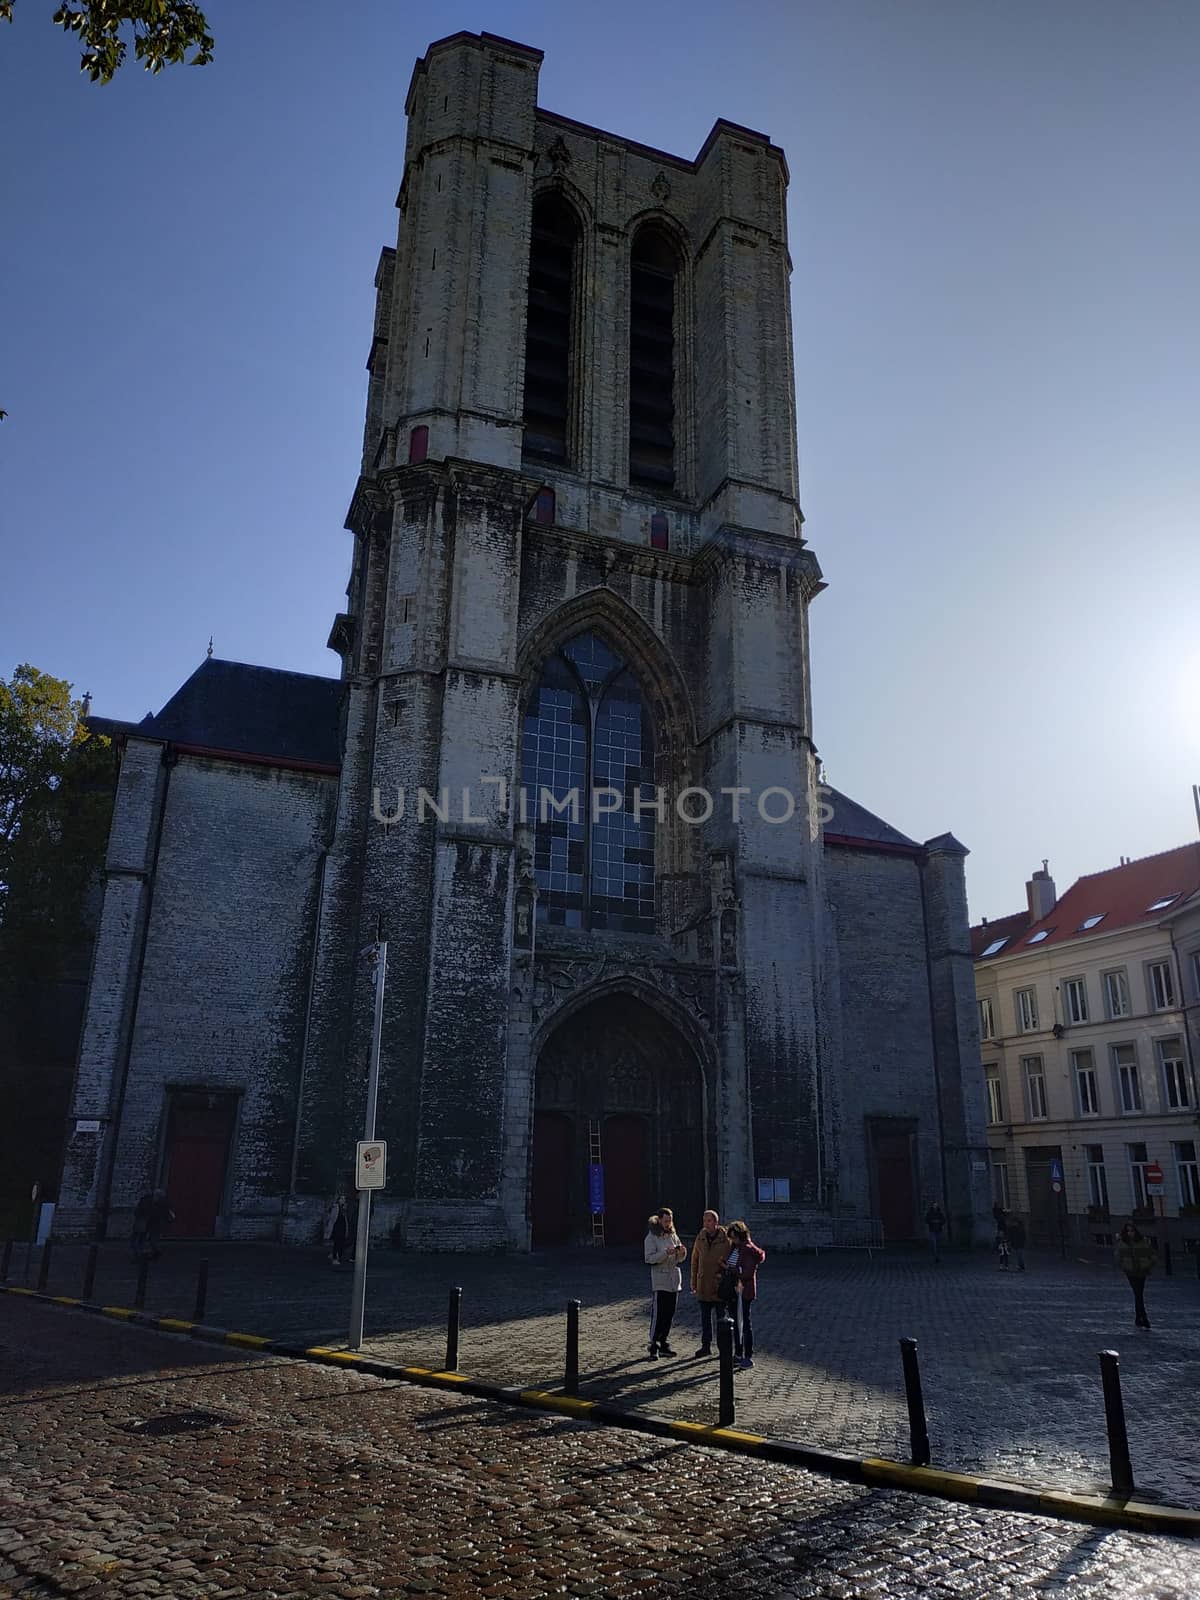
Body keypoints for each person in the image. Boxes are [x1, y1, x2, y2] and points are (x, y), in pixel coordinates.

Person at [643, 1206, 687, 1359]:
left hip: (674, 1280)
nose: (668, 1223)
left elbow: (679, 1258)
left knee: (669, 1314)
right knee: (659, 1314)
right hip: (660, 1280)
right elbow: (649, 1259)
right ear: (660, 1220)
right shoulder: (651, 1237)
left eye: (670, 1221)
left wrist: (682, 1253)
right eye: (666, 1221)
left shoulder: (673, 1235)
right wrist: (664, 1253)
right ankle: (653, 1343)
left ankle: (664, 1342)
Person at [721, 1220, 765, 1370]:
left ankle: (747, 1355)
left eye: (734, 1237)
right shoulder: (734, 1248)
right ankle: (738, 1353)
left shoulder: (748, 1250)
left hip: (743, 1291)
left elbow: (746, 1272)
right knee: (736, 1323)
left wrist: (731, 1269)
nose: (732, 1240)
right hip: (734, 1290)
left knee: (744, 1323)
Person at [689, 1209, 730, 1357]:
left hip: (719, 1285)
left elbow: (731, 1260)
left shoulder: (725, 1239)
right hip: (703, 1283)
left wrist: (725, 1275)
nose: (706, 1224)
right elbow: (695, 1260)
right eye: (704, 1221)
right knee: (705, 1319)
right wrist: (693, 1281)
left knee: (721, 1319)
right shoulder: (700, 1238)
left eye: (709, 1221)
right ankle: (705, 1346)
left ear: (716, 1222)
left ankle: (723, 1348)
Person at [1115, 1222, 1155, 1329]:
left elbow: (1151, 1254)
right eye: (1128, 1231)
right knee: (1138, 1294)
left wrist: (1149, 1264)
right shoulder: (1122, 1243)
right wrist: (1124, 1266)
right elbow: (1118, 1257)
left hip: (1142, 1271)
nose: (1130, 1233)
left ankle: (1139, 1318)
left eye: (1132, 1231)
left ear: (1135, 1231)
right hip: (1131, 1272)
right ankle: (1144, 1318)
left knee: (1139, 1294)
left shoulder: (1142, 1242)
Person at [131, 1188, 174, 1261]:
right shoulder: (149, 1201)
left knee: (145, 1240)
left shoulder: (159, 1203)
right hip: (147, 1222)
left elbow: (167, 1214)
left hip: (151, 1223)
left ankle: (142, 1255)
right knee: (142, 1239)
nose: (157, 1198)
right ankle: (145, 1254)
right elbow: (139, 1211)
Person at [325, 1192, 350, 1267]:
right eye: (342, 1198)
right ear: (338, 1200)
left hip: (342, 1227)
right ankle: (335, 1258)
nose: (343, 1200)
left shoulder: (343, 1208)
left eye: (344, 1199)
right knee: (337, 1243)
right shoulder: (336, 1207)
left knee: (341, 1242)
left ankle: (335, 1255)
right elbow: (332, 1218)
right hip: (336, 1227)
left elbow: (345, 1218)